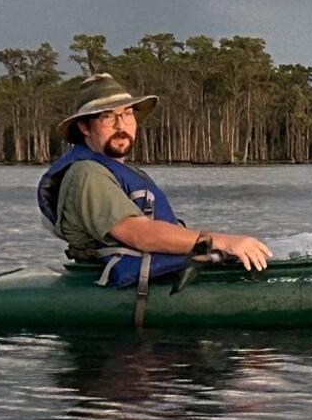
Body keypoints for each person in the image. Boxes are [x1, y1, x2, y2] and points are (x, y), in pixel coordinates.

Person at [36, 73, 272, 289]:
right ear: (85, 127)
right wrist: (221, 241)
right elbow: (139, 234)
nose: (121, 126)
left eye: (127, 114)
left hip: (154, 275)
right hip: (116, 284)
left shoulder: (124, 171)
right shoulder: (87, 174)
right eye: (108, 117)